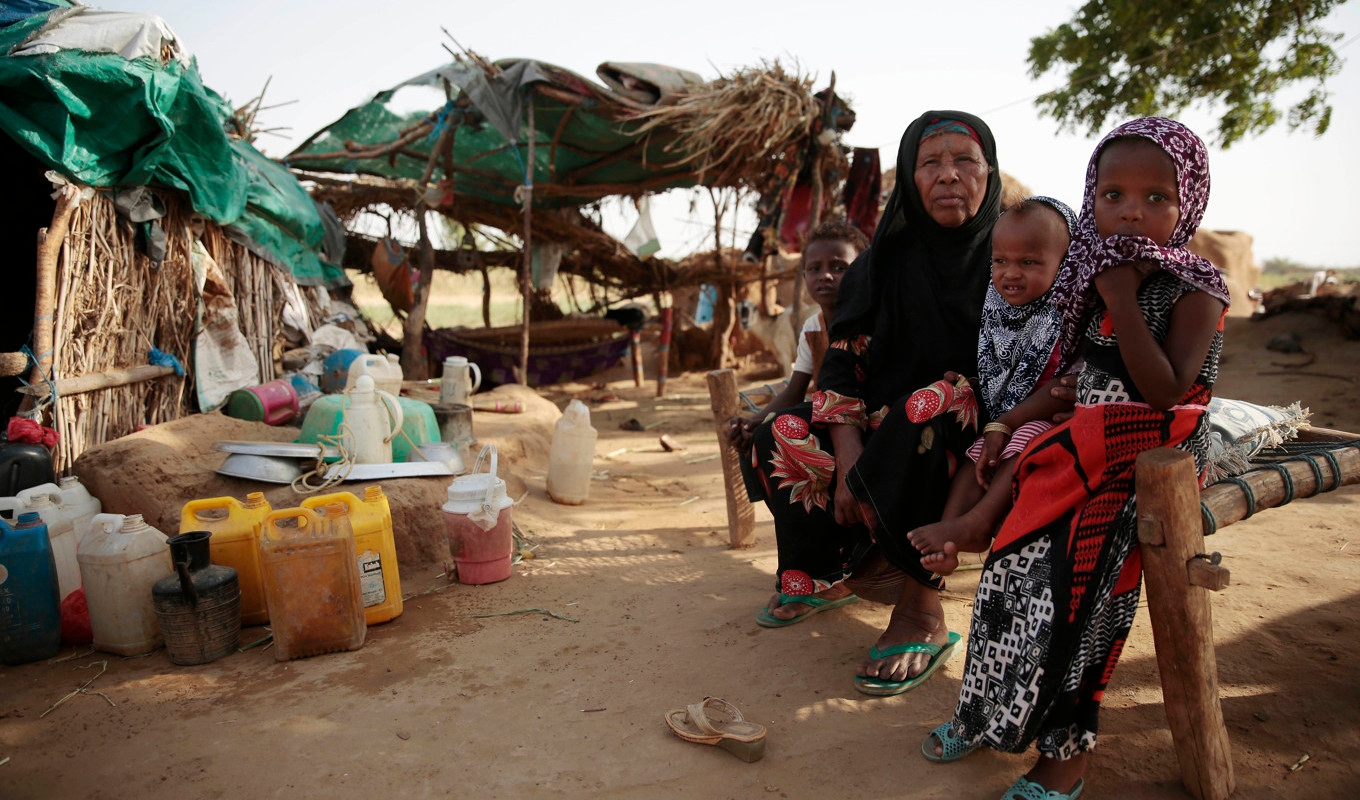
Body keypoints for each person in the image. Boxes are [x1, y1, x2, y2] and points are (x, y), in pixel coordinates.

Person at [920, 117, 1230, 800]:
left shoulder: (1197, 289)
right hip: (1085, 445)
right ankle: (985, 713)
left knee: (1084, 594)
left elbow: (1166, 390)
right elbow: (1074, 385)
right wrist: (1004, 424)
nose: (1131, 212)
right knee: (1010, 575)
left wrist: (1119, 294)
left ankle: (1067, 755)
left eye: (1157, 198)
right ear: (1092, 198)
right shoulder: (1092, 285)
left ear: (1191, 203)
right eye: (1113, 194)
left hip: (1153, 455)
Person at [749, 111, 1002, 698]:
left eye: (964, 161)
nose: (948, 176)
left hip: (975, 423)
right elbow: (842, 360)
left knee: (927, 411)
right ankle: (823, 575)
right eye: (930, 162)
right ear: (910, 179)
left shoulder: (1013, 251)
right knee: (779, 431)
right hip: (880, 420)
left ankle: (920, 613)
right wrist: (850, 456)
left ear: (989, 171)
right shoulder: (882, 262)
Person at [906, 196, 1078, 576]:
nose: (1010, 274)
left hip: (1047, 421)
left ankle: (981, 521)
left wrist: (1006, 423)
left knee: (1024, 440)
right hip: (1004, 423)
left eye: (1029, 263)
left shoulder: (1072, 317)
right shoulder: (996, 311)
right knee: (975, 456)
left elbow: (1065, 387)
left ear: (1066, 265)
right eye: (1000, 261)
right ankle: (952, 532)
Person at [727, 221, 869, 461]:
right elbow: (795, 392)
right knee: (761, 437)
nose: (825, 275)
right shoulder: (814, 328)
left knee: (823, 400)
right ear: (804, 275)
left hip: (874, 419)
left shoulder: (876, 321)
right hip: (830, 421)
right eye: (814, 268)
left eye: (838, 267)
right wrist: (753, 421)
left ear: (863, 271)